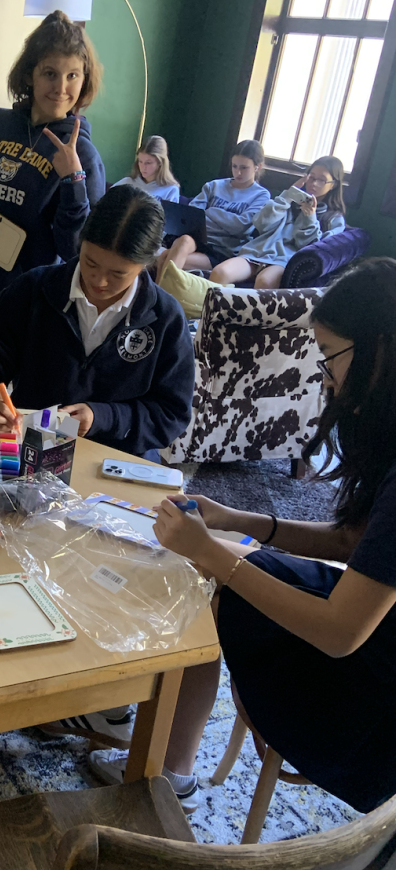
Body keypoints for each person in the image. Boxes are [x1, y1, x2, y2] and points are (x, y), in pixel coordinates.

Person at [88, 257, 396, 814]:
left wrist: (210, 552)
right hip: (369, 629)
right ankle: (162, 753)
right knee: (207, 565)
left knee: (205, 574)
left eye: (330, 358)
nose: (324, 376)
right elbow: (354, 541)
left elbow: (340, 635)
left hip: (369, 706)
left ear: (380, 350)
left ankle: (164, 767)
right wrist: (234, 520)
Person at [0, 184, 195, 461]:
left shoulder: (164, 318)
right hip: (32, 449)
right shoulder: (36, 288)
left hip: (114, 458)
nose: (99, 281)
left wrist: (102, 417)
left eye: (118, 273)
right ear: (80, 243)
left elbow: (170, 414)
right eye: (90, 262)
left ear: (147, 263)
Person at [0, 10, 105, 390]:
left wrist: (73, 181)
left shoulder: (85, 157)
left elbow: (77, 250)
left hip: (21, 309)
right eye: (50, 73)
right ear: (30, 74)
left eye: (72, 76)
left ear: (84, 80)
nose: (60, 87)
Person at [208, 155, 347, 290]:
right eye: (311, 177)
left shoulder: (333, 219)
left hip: (284, 261)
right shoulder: (289, 203)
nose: (314, 183)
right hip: (256, 253)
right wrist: (287, 196)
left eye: (322, 180)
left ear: (333, 185)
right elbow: (261, 223)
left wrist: (310, 216)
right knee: (219, 273)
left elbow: (311, 249)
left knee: (264, 282)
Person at [157, 139, 270, 282]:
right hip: (198, 239)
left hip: (222, 250)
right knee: (183, 241)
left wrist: (211, 211)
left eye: (244, 167)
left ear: (257, 167)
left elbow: (241, 227)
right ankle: (160, 301)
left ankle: (159, 301)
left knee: (165, 258)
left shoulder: (261, 195)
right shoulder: (214, 186)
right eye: (234, 166)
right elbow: (192, 215)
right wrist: (223, 220)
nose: (238, 172)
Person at [113, 134, 180, 203]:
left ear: (160, 163)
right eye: (140, 161)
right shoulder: (126, 182)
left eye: (148, 163)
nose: (143, 167)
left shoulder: (170, 190)